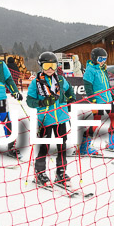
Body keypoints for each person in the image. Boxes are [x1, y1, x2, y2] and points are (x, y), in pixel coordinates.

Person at [26, 52, 75, 190]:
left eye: (53, 65)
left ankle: (61, 172)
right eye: (46, 65)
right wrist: (41, 102)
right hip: (44, 119)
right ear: (41, 66)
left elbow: (70, 89)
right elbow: (29, 101)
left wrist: (71, 98)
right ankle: (40, 173)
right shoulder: (36, 83)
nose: (50, 69)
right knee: (44, 146)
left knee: (61, 146)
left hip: (61, 118)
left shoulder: (60, 80)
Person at [81, 47, 114, 155]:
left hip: (108, 99)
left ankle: (112, 142)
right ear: (94, 58)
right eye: (100, 59)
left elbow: (107, 86)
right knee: (96, 123)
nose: (102, 61)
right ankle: (84, 146)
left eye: (104, 59)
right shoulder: (90, 70)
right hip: (98, 101)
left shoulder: (103, 69)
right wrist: (93, 100)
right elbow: (88, 87)